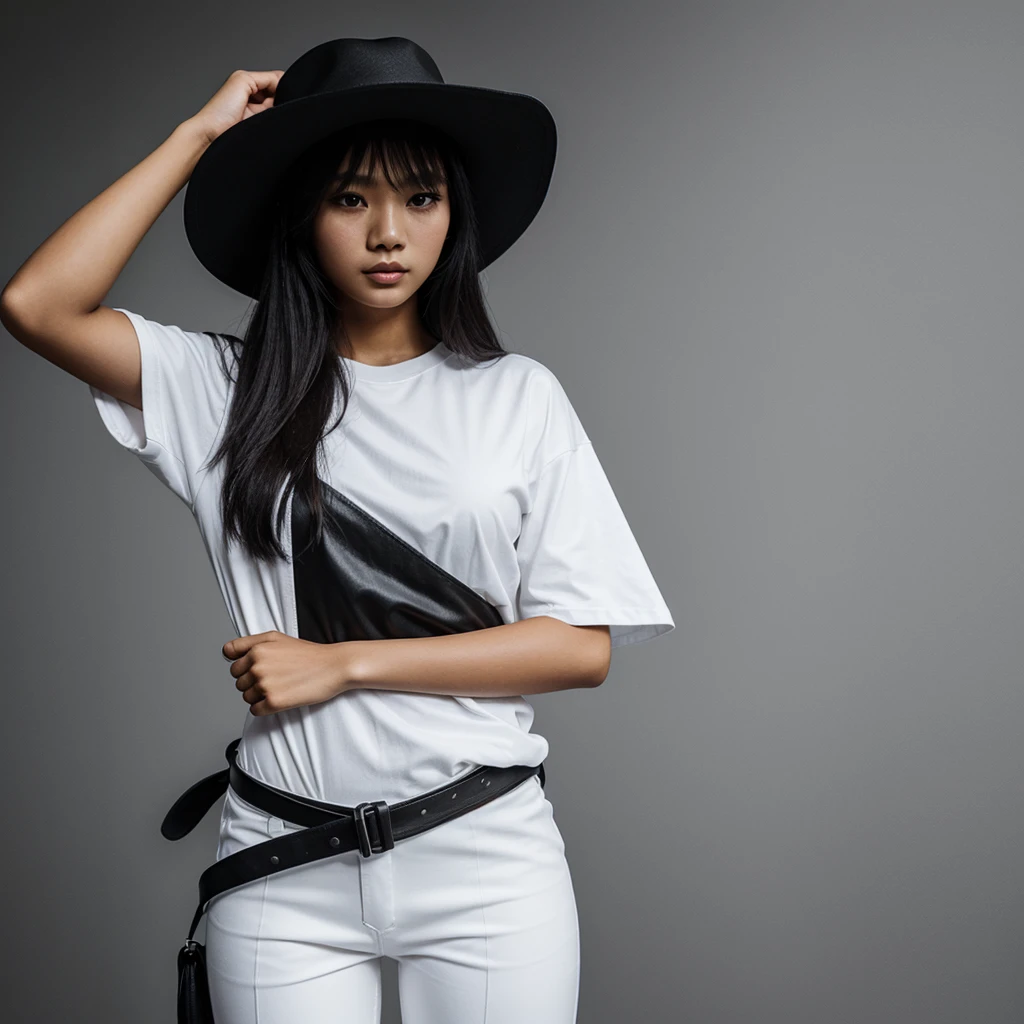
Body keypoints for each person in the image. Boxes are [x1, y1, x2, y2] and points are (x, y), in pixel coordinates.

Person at [1, 36, 674, 1024]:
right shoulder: (224, 392)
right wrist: (200, 135)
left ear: (456, 213)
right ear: (301, 214)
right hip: (286, 866)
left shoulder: (518, 398)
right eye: (351, 198)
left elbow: (580, 646)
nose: (389, 233)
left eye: (421, 197)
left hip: (484, 856)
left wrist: (342, 664)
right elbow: (36, 302)